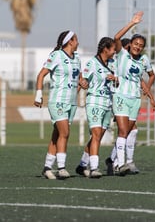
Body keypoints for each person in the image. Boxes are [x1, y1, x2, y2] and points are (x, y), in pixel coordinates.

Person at [106, 11, 155, 176]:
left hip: (135, 99)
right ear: (130, 44)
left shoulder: (144, 60)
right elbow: (116, 37)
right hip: (120, 96)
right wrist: (132, 23)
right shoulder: (122, 55)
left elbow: (151, 75)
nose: (138, 47)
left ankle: (117, 161)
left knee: (129, 131)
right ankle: (120, 164)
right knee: (122, 131)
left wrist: (147, 90)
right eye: (135, 44)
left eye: (141, 45)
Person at [34, 30, 86, 180]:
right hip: (57, 101)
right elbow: (41, 75)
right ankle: (61, 168)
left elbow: (80, 80)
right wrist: (39, 95)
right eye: (76, 40)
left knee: (57, 135)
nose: (78, 42)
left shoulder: (77, 58)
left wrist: (83, 83)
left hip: (71, 102)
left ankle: (47, 167)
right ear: (70, 41)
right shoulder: (56, 56)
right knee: (65, 133)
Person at [75, 37, 118, 178]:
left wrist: (116, 79)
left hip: (107, 103)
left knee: (97, 137)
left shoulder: (113, 63)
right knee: (96, 134)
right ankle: (94, 168)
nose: (114, 51)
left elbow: (118, 82)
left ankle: (82, 166)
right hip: (94, 102)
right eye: (112, 49)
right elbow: (84, 81)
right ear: (105, 49)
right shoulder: (92, 63)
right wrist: (83, 83)